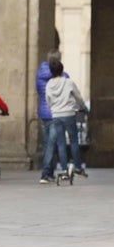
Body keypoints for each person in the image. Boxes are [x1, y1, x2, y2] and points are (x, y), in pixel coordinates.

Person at [41, 59, 88, 182]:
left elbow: (48, 99)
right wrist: (82, 107)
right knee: (73, 141)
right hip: (69, 113)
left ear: (51, 71)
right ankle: (77, 167)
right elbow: (78, 96)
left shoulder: (49, 84)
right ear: (62, 70)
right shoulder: (68, 82)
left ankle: (64, 168)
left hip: (56, 115)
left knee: (61, 143)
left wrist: (54, 109)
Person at [36, 49, 69, 182]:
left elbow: (39, 92)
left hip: (44, 112)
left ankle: (49, 172)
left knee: (47, 143)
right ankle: (45, 173)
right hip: (56, 112)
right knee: (52, 144)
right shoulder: (63, 76)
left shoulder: (39, 75)